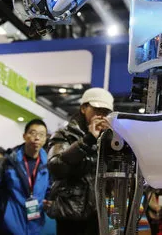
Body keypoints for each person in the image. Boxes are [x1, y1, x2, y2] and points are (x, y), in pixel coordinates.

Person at [46, 87, 114, 235]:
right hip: (70, 211)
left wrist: (112, 143)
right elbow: (56, 167)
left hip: (98, 213)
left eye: (105, 112)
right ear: (83, 108)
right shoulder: (64, 134)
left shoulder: (108, 139)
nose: (101, 115)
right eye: (97, 109)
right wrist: (87, 140)